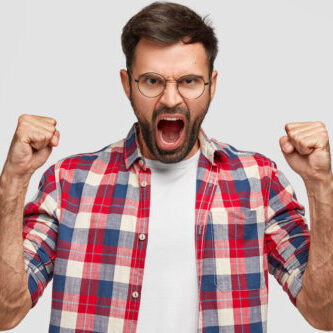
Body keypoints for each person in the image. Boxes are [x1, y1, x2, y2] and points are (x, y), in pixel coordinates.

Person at [0, 2, 332, 332]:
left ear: (211, 85)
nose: (171, 99)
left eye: (188, 81)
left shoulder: (259, 181)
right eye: (152, 81)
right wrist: (13, 181)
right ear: (127, 84)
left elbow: (324, 314)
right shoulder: (68, 183)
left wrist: (320, 184)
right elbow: (5, 312)